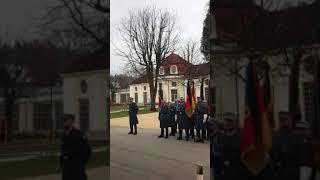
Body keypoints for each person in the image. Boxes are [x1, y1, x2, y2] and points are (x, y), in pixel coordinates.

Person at [271, 112, 309, 180]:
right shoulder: (277, 136)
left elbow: (304, 159)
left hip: (295, 171)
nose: (283, 122)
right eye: (281, 120)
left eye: (286, 119)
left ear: (291, 120)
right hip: (282, 171)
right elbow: (275, 155)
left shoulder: (298, 137)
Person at [60, 114, 91, 180]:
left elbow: (87, 150)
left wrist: (80, 164)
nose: (64, 123)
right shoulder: (64, 135)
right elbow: (63, 151)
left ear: (71, 122)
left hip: (77, 169)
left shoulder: (79, 134)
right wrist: (62, 163)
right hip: (66, 168)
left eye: (65, 120)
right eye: (63, 121)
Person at [220, 112, 246, 180]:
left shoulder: (239, 137)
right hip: (224, 171)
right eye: (226, 121)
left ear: (235, 123)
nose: (227, 123)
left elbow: (238, 153)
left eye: (230, 121)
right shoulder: (222, 136)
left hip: (236, 171)